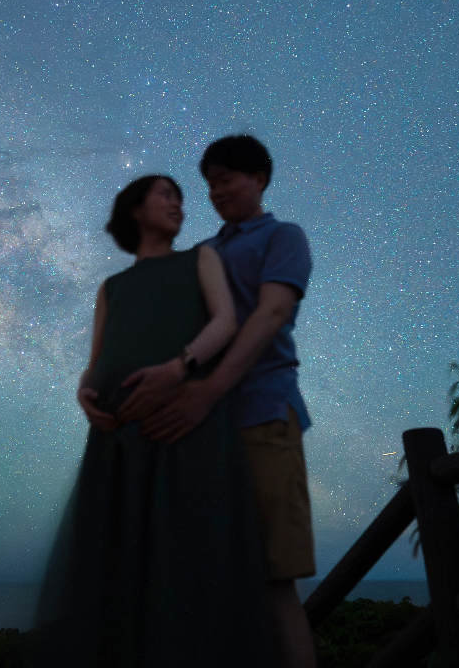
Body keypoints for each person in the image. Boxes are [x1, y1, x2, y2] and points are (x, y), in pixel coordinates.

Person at [35, 174, 275, 668]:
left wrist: (179, 366)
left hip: (182, 428)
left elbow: (226, 321)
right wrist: (84, 391)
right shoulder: (112, 287)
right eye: (166, 195)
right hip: (116, 441)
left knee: (188, 560)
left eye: (181, 199)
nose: (179, 206)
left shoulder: (199, 259)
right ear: (135, 209)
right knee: (118, 570)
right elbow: (97, 355)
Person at [120, 136, 318, 668]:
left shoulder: (283, 237)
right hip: (196, 430)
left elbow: (270, 315)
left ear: (260, 179)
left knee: (274, 578)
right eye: (209, 182)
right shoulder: (199, 254)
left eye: (227, 178)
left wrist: (206, 390)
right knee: (205, 577)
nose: (216, 191)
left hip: (259, 414)